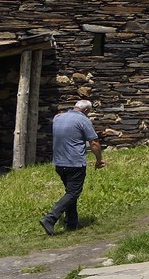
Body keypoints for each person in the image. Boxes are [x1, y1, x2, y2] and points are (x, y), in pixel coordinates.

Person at [40, 99, 103, 235]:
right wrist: (99, 160)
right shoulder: (83, 120)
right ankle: (50, 218)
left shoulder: (58, 118)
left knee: (70, 192)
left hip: (59, 162)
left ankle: (72, 223)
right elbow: (94, 143)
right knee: (73, 193)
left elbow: (57, 117)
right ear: (86, 110)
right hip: (75, 163)